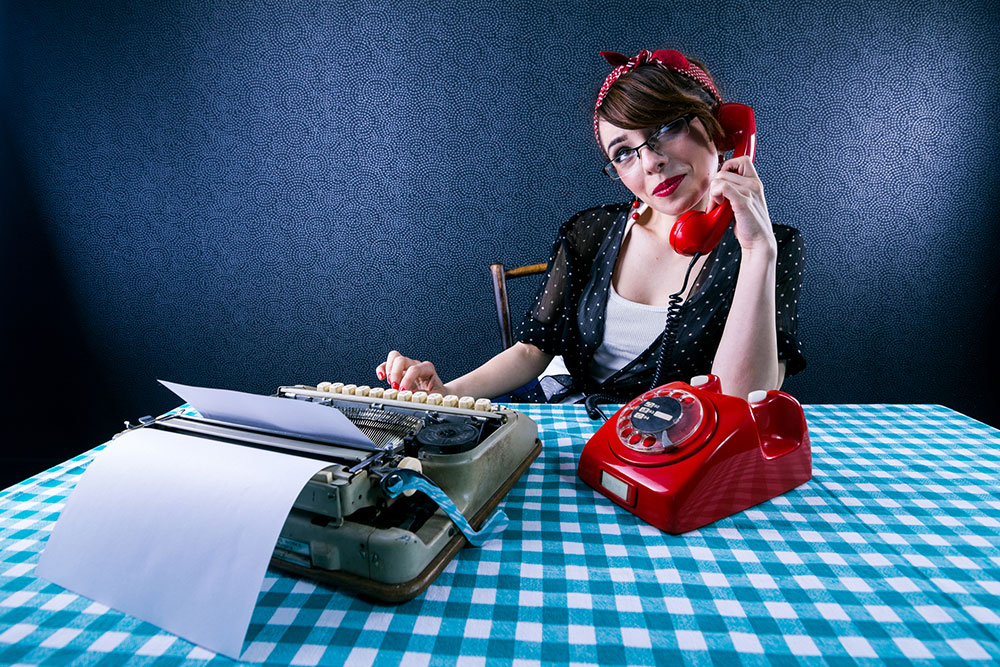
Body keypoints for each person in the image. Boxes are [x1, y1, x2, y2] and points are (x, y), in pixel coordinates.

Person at [377, 48, 805, 404]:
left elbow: (742, 399)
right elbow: (532, 351)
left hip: (677, 451)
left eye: (667, 127)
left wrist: (756, 252)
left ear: (723, 126)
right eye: (623, 152)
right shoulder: (590, 233)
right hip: (569, 432)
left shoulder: (773, 247)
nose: (651, 161)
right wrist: (446, 392)